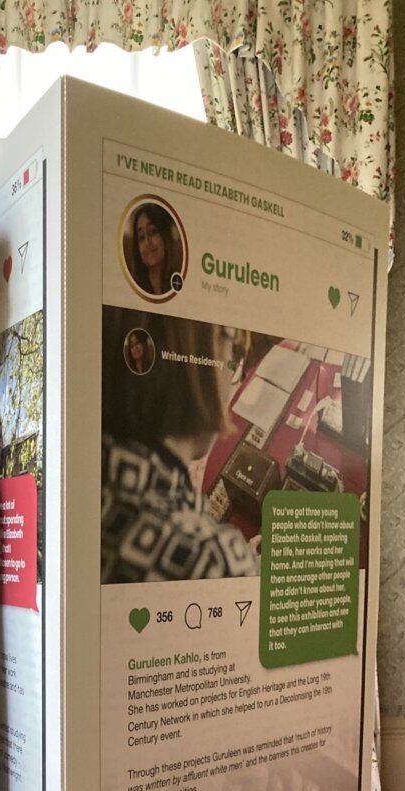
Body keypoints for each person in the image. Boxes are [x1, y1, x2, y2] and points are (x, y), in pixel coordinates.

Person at [101, 313, 258, 581]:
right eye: (235, 350)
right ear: (202, 356)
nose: (234, 371)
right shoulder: (215, 562)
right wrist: (248, 571)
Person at [129, 202, 178, 297]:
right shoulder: (133, 292)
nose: (147, 242)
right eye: (141, 237)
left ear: (165, 237)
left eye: (153, 231)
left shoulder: (178, 284)